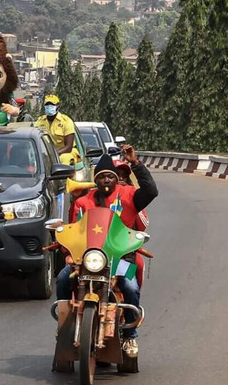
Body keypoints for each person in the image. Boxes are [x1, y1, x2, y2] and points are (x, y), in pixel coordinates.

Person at [58, 148, 157, 358]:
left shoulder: (129, 194)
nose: (105, 180)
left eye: (109, 177)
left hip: (123, 260)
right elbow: (73, 229)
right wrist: (67, 252)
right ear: (96, 180)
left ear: (115, 179)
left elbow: (151, 192)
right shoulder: (83, 202)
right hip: (87, 260)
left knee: (131, 286)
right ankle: (64, 328)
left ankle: (130, 335)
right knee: (62, 278)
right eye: (101, 177)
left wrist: (136, 164)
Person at [34, 94, 78, 163]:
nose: (49, 107)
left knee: (64, 159)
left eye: (52, 105)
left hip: (65, 153)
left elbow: (69, 147)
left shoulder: (66, 121)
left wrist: (53, 154)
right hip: (45, 154)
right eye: (47, 105)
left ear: (58, 107)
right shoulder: (40, 121)